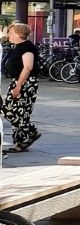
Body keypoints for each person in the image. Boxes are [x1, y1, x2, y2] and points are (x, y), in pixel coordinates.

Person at [1, 22, 42, 152]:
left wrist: (19, 85)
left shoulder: (27, 47)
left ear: (19, 34)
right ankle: (21, 141)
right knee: (18, 112)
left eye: (11, 33)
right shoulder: (18, 46)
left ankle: (30, 132)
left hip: (25, 83)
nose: (9, 35)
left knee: (12, 110)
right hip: (19, 81)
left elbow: (28, 67)